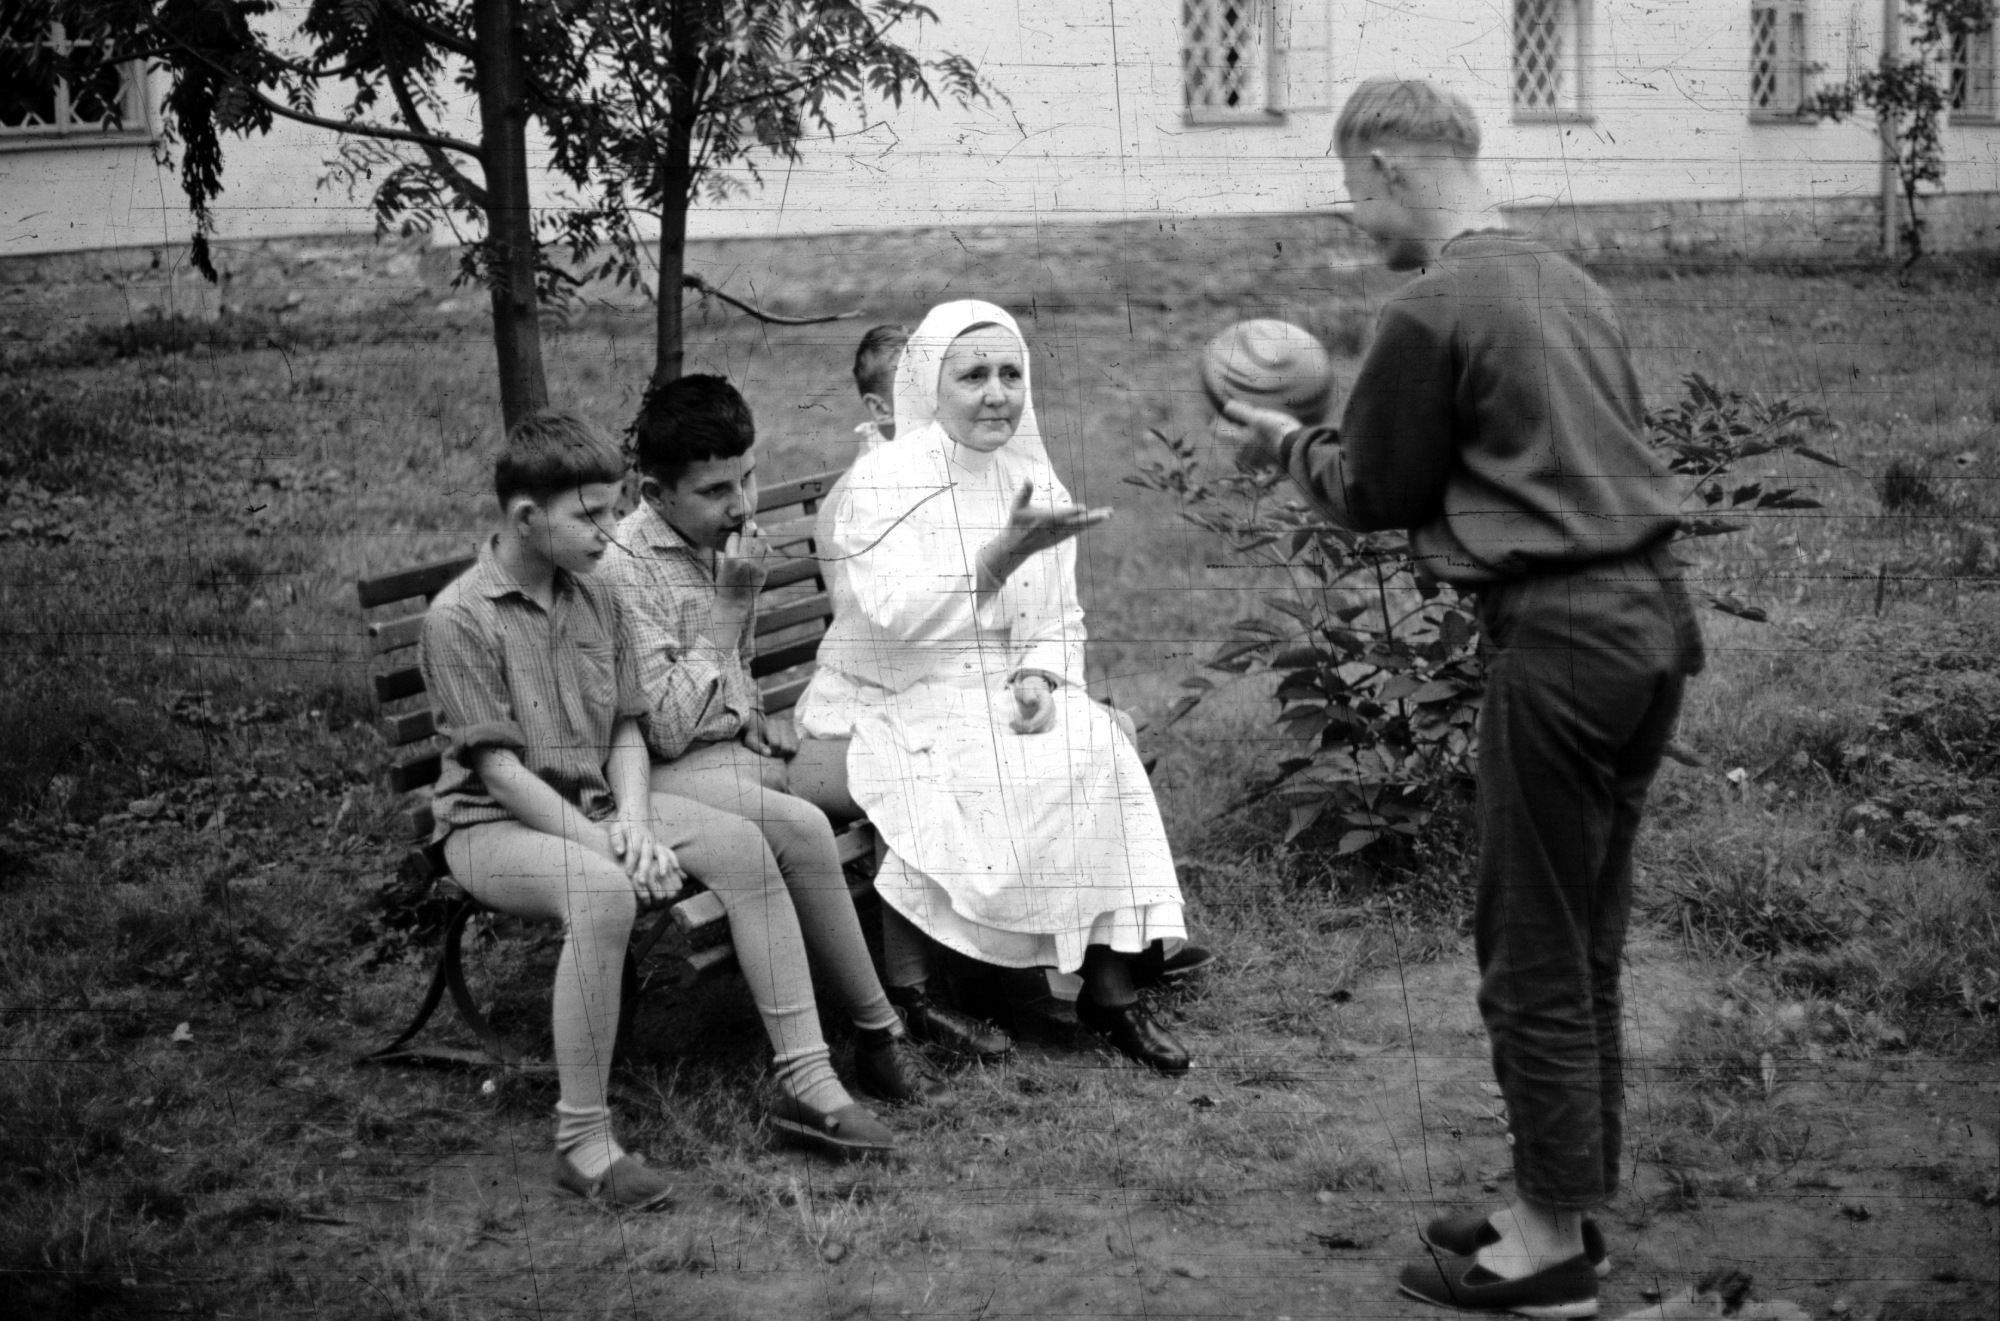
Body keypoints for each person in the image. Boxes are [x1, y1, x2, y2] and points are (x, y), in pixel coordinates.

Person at [1221, 79, 1704, 1317]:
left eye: (1349, 186)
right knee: (1581, 934)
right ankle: (1560, 1202)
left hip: (1560, 637)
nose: (1352, 214)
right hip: (1648, 623)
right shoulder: (1564, 281)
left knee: (1529, 945)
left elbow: (1374, 490)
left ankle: (1546, 1256)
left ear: (1384, 164)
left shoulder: (1428, 304)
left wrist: (1280, 441)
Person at [422, 412, 900, 1204]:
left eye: (615, 512)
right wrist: (608, 844)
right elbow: (498, 773)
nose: (611, 532)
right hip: (493, 826)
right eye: (591, 516)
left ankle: (808, 1081)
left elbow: (626, 727)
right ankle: (582, 1140)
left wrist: (635, 822)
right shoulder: (460, 617)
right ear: (525, 517)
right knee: (602, 891)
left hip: (604, 806)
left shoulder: (598, 588)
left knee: (745, 847)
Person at [812, 298, 1194, 1076]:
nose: (997, 394)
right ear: (930, 383)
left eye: (1011, 374)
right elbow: (894, 619)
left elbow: (1058, 612)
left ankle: (1110, 987)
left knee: (1094, 740)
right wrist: (998, 555)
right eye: (974, 375)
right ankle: (925, 993)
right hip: (891, 689)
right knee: (967, 767)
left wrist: (1039, 675)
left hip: (993, 688)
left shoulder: (1029, 472)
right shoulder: (883, 481)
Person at [600, 374, 951, 1109]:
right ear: (654, 494)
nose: (742, 504)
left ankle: (934, 988)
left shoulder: (718, 538)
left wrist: (753, 710)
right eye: (716, 490)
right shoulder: (624, 571)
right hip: (655, 772)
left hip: (731, 752)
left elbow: (737, 667)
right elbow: (662, 728)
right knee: (802, 826)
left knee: (896, 771)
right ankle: (879, 1035)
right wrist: (732, 604)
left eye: (748, 478)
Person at [792, 325, 1019, 1063]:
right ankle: (915, 996)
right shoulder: (865, 497)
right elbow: (892, 635)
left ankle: (1028, 959)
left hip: (930, 690)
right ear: (880, 408)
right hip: (866, 701)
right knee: (920, 769)